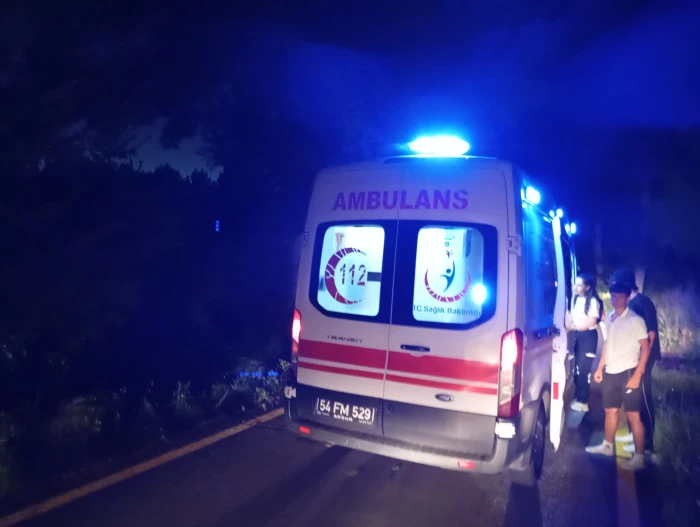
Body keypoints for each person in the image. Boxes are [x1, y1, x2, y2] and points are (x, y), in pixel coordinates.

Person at [586, 282, 651, 471]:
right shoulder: (610, 317)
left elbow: (645, 347)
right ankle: (607, 446)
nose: (615, 299)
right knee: (610, 411)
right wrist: (600, 368)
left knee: (633, 415)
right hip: (611, 372)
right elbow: (608, 344)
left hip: (629, 371)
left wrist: (638, 374)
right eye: (613, 295)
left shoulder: (635, 320)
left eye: (619, 296)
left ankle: (639, 457)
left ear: (627, 297)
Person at [610, 269, 661, 455]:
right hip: (633, 358)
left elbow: (651, 335)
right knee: (634, 397)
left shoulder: (643, 303)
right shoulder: (631, 303)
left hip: (644, 359)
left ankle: (648, 443)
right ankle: (636, 436)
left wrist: (642, 363)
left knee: (645, 398)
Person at [566, 274, 604, 412]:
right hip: (577, 335)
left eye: (579, 285)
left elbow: (590, 322)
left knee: (583, 369)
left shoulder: (593, 302)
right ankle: (578, 396)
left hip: (588, 337)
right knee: (576, 368)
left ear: (587, 287)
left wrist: (573, 327)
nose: (576, 287)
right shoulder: (575, 299)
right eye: (575, 284)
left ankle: (583, 401)